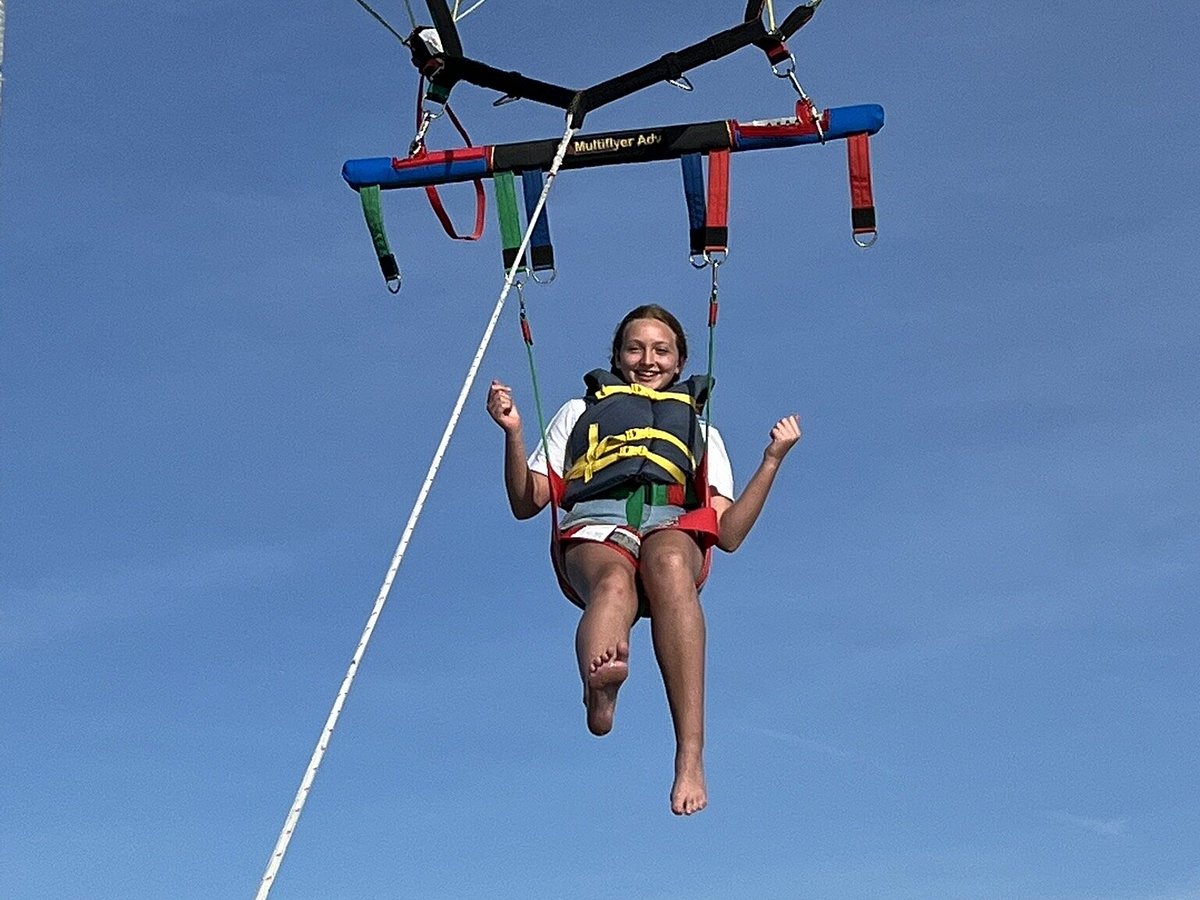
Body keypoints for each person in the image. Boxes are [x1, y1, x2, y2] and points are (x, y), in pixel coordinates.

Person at [486, 304, 801, 816]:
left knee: (670, 563)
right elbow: (527, 502)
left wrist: (771, 462)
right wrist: (513, 432)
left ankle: (690, 755)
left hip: (669, 529)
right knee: (613, 582)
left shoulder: (700, 429)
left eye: (661, 350)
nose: (647, 360)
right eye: (635, 348)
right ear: (617, 356)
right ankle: (598, 692)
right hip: (596, 525)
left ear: (678, 363)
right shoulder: (576, 412)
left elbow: (730, 533)